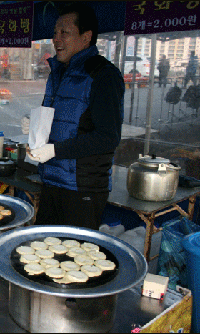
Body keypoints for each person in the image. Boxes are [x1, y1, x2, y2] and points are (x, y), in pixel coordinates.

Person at [22, 3, 125, 230]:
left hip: (83, 189)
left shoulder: (103, 75)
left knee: (74, 257)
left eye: (65, 33)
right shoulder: (60, 71)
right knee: (44, 251)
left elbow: (107, 137)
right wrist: (35, 126)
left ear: (86, 37)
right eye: (55, 33)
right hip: (52, 180)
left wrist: (54, 150)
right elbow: (64, 120)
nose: (56, 39)